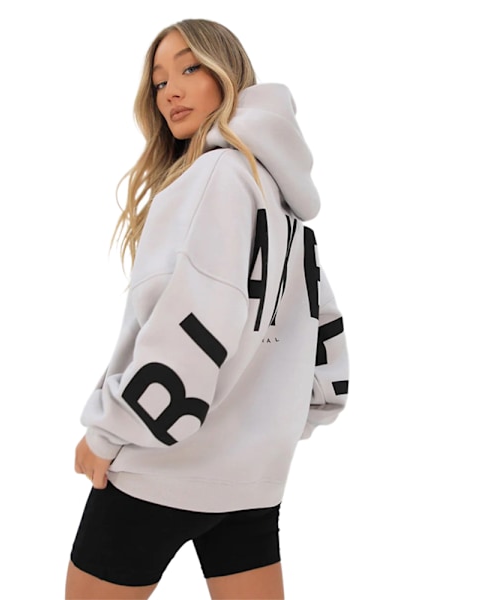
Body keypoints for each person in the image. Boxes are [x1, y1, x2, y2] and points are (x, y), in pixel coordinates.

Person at [65, 18, 349, 600]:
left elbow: (189, 326)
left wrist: (109, 433)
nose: (170, 90)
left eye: (189, 68)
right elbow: (324, 345)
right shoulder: (282, 200)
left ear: (228, 73)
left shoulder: (216, 174)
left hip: (159, 471)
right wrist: (269, 427)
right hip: (251, 480)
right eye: (159, 81)